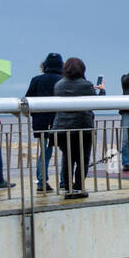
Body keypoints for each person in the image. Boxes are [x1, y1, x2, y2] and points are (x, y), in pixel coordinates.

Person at [52, 57, 97, 199]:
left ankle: (68, 188)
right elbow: (94, 103)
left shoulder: (58, 85)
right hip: (82, 126)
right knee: (82, 159)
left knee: (67, 158)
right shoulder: (86, 85)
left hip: (62, 127)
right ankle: (78, 188)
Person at [24, 53, 66, 192]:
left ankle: (42, 182)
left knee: (45, 153)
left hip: (40, 122)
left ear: (45, 65)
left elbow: (28, 100)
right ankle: (64, 181)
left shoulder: (36, 80)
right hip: (60, 121)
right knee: (67, 151)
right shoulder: (63, 80)